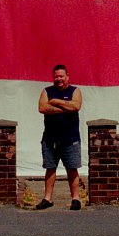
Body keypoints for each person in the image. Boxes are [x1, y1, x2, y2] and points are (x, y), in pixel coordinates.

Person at [36, 64, 83, 210]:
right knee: (50, 168)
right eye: (56, 76)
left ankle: (75, 199)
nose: (58, 79)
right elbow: (42, 108)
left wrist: (56, 102)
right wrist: (65, 107)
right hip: (50, 139)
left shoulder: (75, 91)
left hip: (70, 139)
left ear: (67, 76)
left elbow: (76, 107)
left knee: (72, 168)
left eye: (61, 76)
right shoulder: (46, 91)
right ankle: (47, 199)